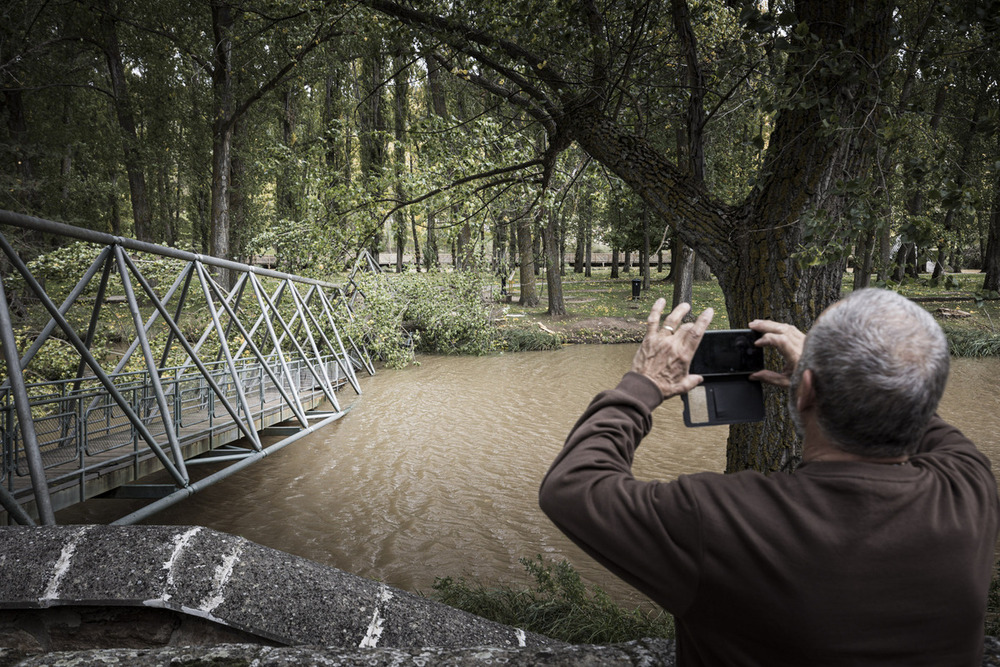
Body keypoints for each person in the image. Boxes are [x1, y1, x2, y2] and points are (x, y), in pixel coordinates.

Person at [539, 288, 999, 666]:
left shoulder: (719, 520)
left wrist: (644, 382)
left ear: (806, 392)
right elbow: (918, 409)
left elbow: (573, 486)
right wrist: (823, 370)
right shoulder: (970, 489)